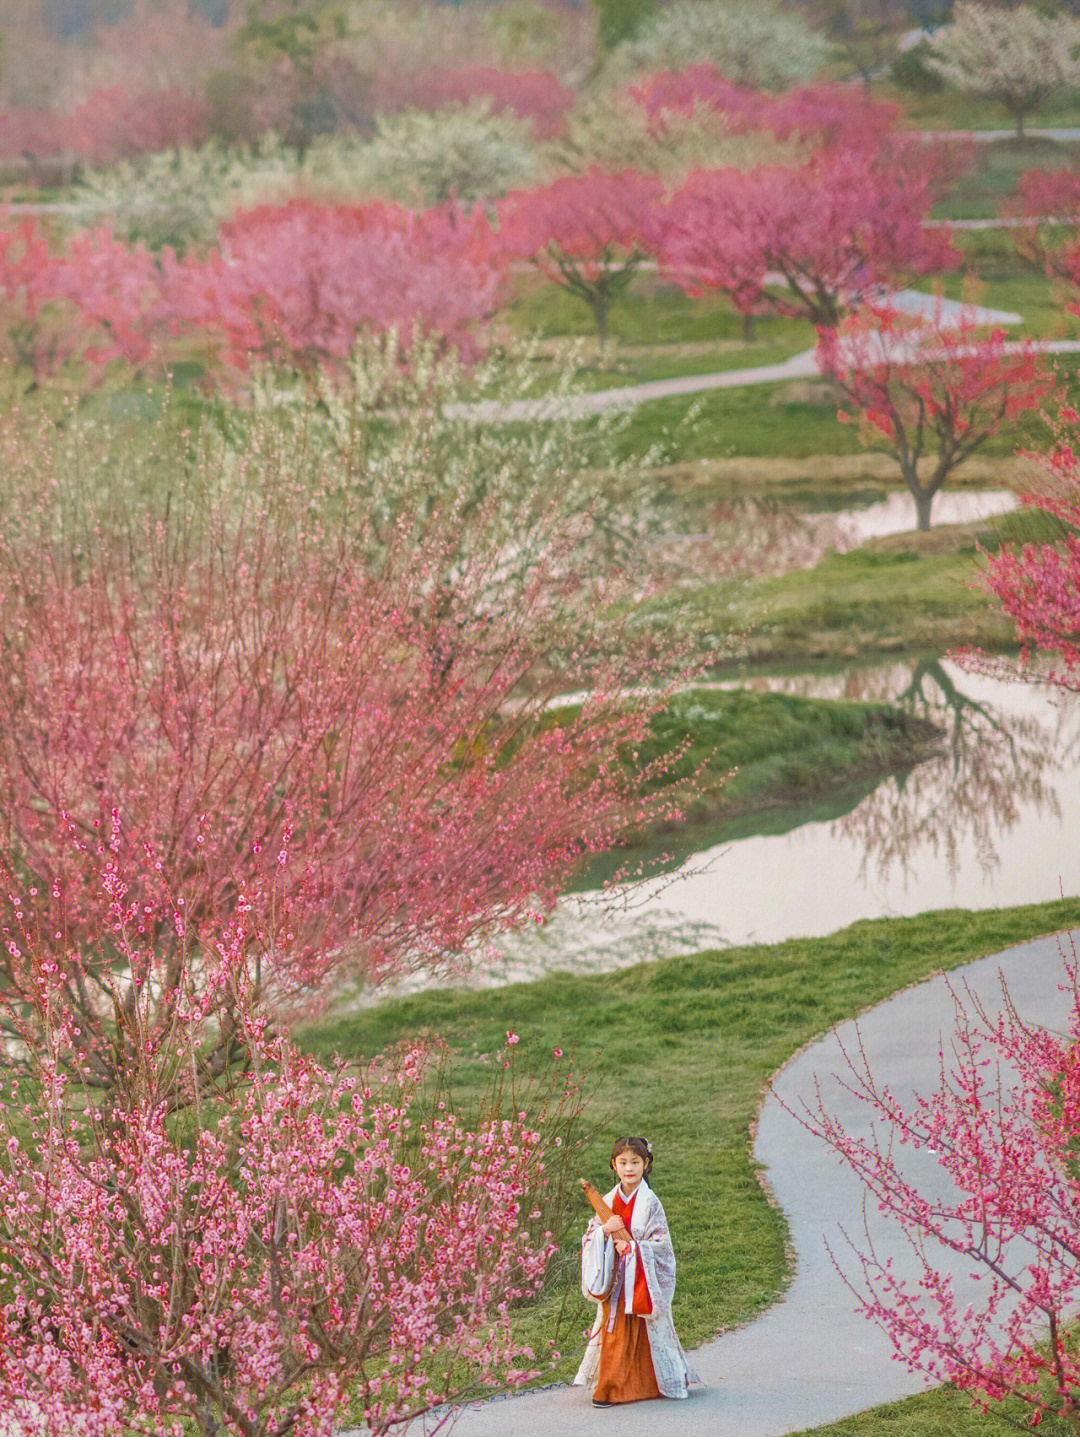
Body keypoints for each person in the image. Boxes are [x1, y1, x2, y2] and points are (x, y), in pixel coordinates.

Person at [574, 1136, 698, 1407]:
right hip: (615, 1282)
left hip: (639, 1280)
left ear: (646, 1164)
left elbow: (662, 1245)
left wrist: (635, 1249)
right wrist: (604, 1232)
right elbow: (590, 1234)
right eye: (623, 1163)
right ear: (613, 1165)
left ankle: (646, 1384)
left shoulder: (651, 1203)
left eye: (635, 1162)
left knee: (643, 1329)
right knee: (614, 1330)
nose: (629, 1168)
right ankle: (608, 1388)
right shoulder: (607, 1200)